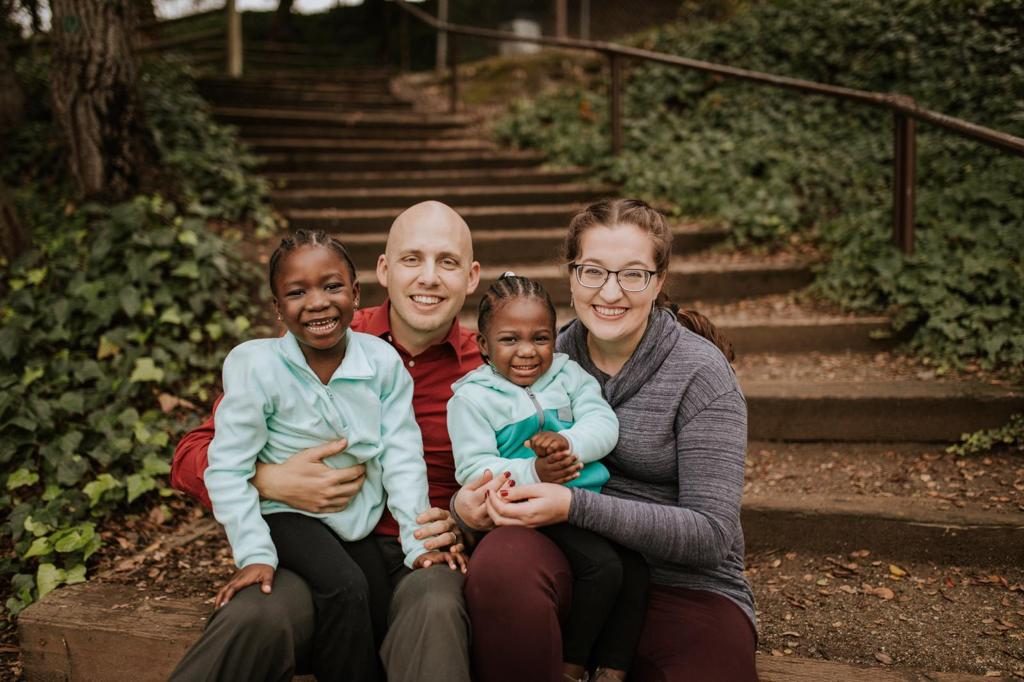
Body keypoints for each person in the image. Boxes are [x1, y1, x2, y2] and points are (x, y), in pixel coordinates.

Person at [170, 201, 505, 682]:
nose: (429, 277)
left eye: (447, 262)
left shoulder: (495, 367)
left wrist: (467, 519)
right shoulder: (323, 335)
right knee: (255, 615)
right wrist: (268, 480)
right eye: (412, 259)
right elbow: (192, 455)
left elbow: (525, 474)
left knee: (434, 606)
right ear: (383, 270)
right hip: (313, 543)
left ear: (471, 276)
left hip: (419, 553)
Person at [453, 198, 757, 682]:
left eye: (633, 274)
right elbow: (483, 450)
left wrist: (575, 506)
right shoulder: (539, 353)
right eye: (593, 271)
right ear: (572, 276)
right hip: (571, 564)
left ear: (658, 281)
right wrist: (463, 509)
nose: (610, 292)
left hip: (682, 586)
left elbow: (712, 535)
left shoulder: (700, 374)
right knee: (502, 565)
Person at [448, 273, 649, 681]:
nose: (527, 351)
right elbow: (473, 468)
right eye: (510, 339)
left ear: (554, 338)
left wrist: (567, 444)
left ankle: (612, 669)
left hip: (583, 503)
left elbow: (604, 423)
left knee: (636, 570)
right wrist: (533, 471)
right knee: (602, 568)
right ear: (483, 344)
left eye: (540, 338)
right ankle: (570, 668)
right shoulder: (471, 398)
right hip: (524, 511)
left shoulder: (568, 375)